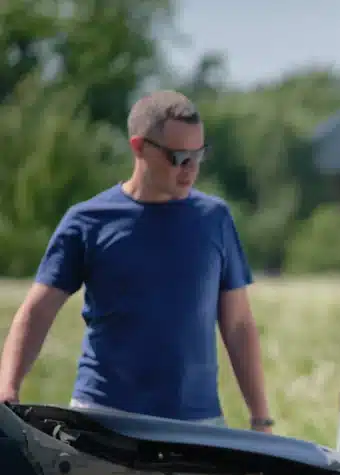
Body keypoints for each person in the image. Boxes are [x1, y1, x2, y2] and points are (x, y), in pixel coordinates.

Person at [0, 90, 274, 432]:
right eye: (177, 157)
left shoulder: (214, 219)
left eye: (197, 155)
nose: (190, 170)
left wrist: (260, 416)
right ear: (139, 147)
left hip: (199, 424)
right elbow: (37, 311)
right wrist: (7, 387)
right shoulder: (88, 221)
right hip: (103, 421)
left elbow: (237, 325)